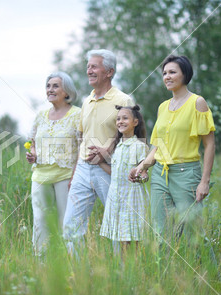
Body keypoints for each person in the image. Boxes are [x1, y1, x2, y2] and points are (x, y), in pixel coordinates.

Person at [130, 55, 215, 242]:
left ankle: (208, 271)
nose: (167, 76)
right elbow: (157, 146)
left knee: (194, 234)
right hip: (160, 174)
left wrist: (204, 181)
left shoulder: (197, 103)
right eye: (164, 73)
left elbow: (209, 145)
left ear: (185, 74)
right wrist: (142, 166)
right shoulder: (163, 107)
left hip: (186, 174)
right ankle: (167, 272)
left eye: (172, 72)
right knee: (161, 233)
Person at [63, 49, 135, 255]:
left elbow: (131, 135)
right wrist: (75, 172)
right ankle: (78, 276)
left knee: (118, 226)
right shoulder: (87, 101)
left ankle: (122, 275)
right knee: (71, 226)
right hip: (84, 170)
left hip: (110, 169)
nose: (89, 70)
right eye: (88, 66)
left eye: (94, 66)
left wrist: (107, 150)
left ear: (109, 72)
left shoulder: (123, 99)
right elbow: (82, 138)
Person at [26, 71, 81, 256]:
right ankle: (41, 262)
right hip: (40, 176)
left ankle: (71, 262)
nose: (50, 89)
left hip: (66, 177)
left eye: (55, 86)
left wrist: (76, 176)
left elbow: (83, 146)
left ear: (67, 91)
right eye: (48, 86)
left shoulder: (77, 115)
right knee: (40, 220)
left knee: (66, 220)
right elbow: (31, 141)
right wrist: (32, 154)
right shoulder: (41, 115)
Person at [99, 105, 150, 253]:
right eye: (118, 119)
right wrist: (100, 162)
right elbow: (114, 172)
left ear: (135, 122)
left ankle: (134, 271)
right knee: (120, 240)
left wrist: (140, 176)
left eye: (125, 118)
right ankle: (122, 272)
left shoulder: (139, 146)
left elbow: (145, 174)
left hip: (132, 199)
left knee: (132, 239)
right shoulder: (117, 147)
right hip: (116, 199)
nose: (120, 121)